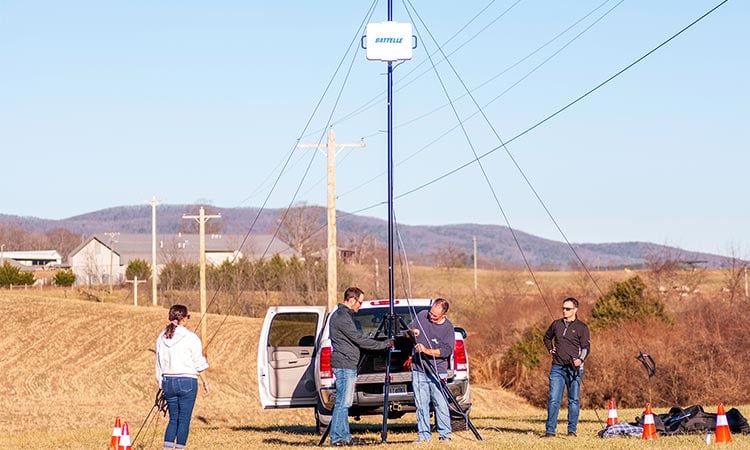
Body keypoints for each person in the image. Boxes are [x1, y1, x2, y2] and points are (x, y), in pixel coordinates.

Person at [329, 287, 393, 447]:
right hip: (344, 364)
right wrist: (383, 345)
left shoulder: (344, 315)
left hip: (348, 363)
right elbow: (358, 339)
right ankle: (337, 438)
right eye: (360, 302)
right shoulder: (342, 316)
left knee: (346, 402)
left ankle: (345, 436)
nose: (360, 306)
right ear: (351, 300)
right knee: (343, 403)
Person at [155, 305, 210, 450]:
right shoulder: (191, 338)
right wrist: (205, 382)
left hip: (168, 381)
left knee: (173, 420)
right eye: (188, 317)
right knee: (184, 420)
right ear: (184, 319)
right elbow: (199, 362)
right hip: (187, 382)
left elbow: (158, 362)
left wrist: (161, 382)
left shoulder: (162, 337)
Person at [407, 298, 455, 442]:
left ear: (443, 314)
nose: (431, 316)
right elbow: (406, 332)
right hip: (418, 369)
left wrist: (426, 350)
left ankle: (445, 435)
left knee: (440, 403)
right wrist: (411, 332)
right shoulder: (422, 315)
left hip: (437, 370)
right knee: (421, 403)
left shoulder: (448, 328)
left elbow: (446, 351)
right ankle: (423, 436)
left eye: (435, 315)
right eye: (430, 313)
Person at [542, 297, 590, 438]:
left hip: (574, 369)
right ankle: (550, 431)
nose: (564, 310)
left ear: (575, 310)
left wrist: (580, 360)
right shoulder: (556, 324)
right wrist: (550, 349)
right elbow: (546, 337)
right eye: (563, 308)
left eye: (568, 308)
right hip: (557, 368)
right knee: (553, 399)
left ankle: (571, 431)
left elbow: (586, 347)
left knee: (573, 400)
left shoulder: (582, 327)